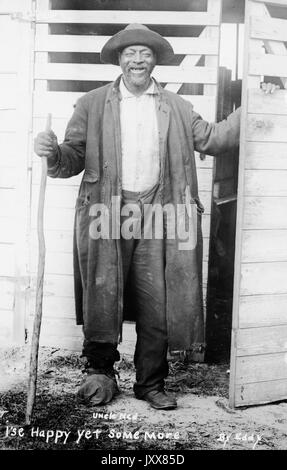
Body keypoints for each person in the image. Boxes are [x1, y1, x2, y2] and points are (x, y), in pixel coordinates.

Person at [34, 23, 277, 410]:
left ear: (155, 62)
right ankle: (100, 375)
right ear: (119, 60)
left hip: (158, 216)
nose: (137, 60)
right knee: (103, 293)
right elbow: (71, 160)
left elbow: (213, 138)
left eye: (145, 54)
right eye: (130, 53)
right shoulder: (92, 104)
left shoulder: (176, 107)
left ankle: (150, 383)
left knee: (157, 301)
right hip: (106, 214)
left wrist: (257, 104)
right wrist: (51, 152)